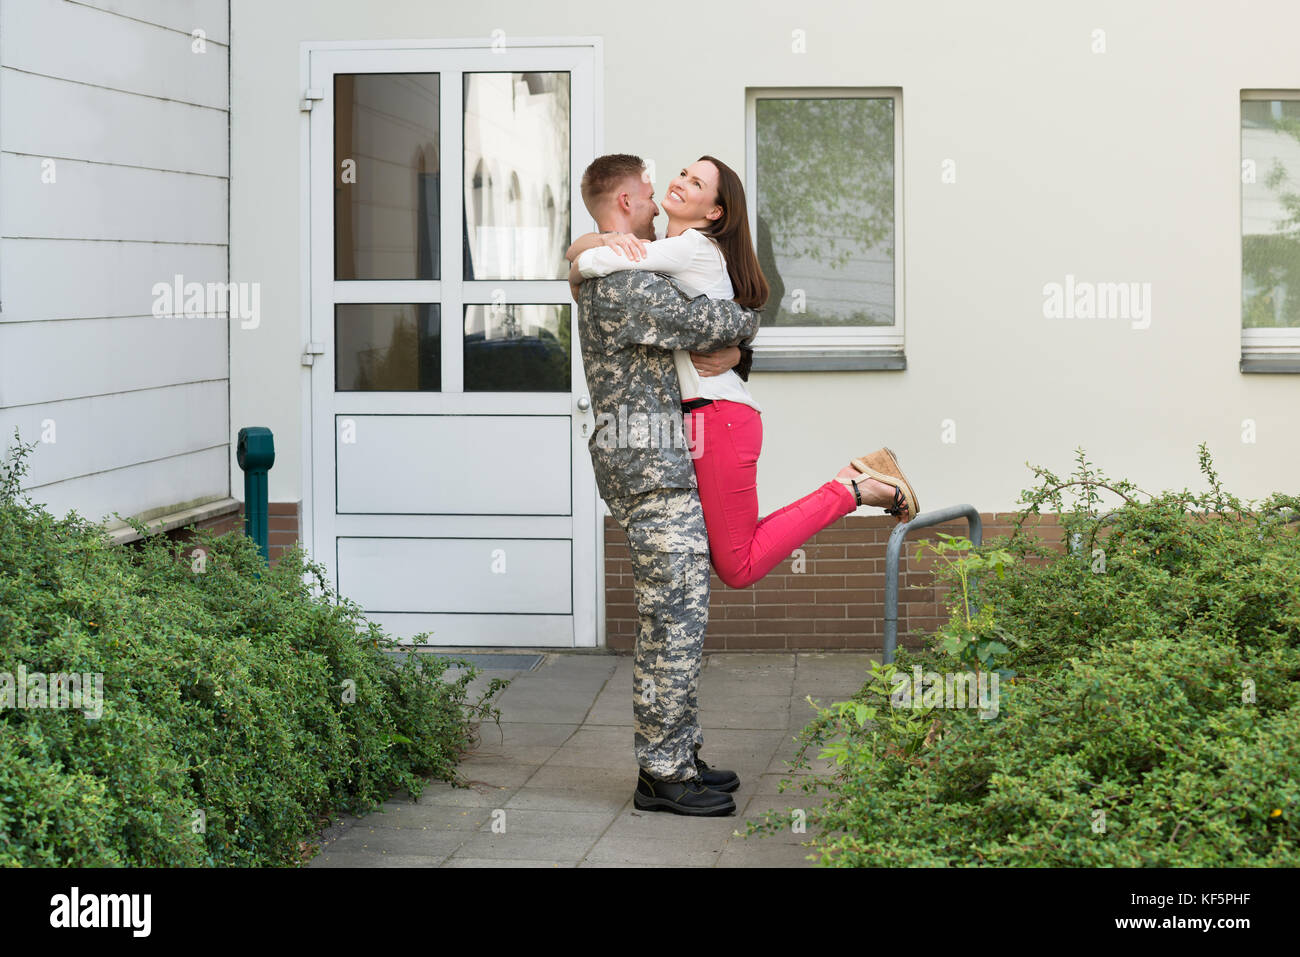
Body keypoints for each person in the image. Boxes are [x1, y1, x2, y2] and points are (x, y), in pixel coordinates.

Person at [567, 155, 920, 592]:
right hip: (706, 418)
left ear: (714, 212)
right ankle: (852, 484)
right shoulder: (677, 257)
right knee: (735, 551)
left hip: (718, 417)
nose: (677, 186)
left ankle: (854, 488)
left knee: (738, 566)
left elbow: (599, 264)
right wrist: (597, 241)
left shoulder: (691, 247)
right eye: (682, 174)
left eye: (696, 183)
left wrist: (580, 260)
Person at [571, 153, 755, 816]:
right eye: (648, 190)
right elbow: (712, 321)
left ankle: (682, 750)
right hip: (648, 468)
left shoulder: (617, 263)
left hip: (653, 463)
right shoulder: (623, 285)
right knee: (673, 615)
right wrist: (747, 327)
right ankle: (663, 772)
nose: (656, 196)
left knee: (683, 610)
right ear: (625, 201)